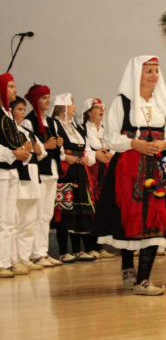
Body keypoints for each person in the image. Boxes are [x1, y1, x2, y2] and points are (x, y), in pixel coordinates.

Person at [93, 56, 166, 296]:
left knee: (154, 218)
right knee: (130, 216)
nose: (154, 76)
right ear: (136, 74)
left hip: (156, 166)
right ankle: (127, 266)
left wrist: (164, 142)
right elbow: (110, 138)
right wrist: (135, 143)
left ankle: (144, 279)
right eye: (148, 71)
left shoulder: (164, 103)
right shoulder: (122, 103)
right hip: (128, 168)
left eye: (156, 71)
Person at [50, 93, 97, 263]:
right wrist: (64, 157)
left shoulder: (78, 128)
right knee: (65, 210)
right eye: (71, 104)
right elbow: (56, 146)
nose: (74, 107)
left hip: (80, 172)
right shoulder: (55, 124)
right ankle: (63, 251)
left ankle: (78, 250)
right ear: (63, 107)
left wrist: (87, 159)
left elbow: (88, 149)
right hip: (66, 173)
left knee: (78, 212)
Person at [23, 84, 64, 267]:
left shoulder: (53, 122)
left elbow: (57, 148)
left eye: (48, 97)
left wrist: (59, 144)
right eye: (44, 98)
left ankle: (42, 250)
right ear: (35, 100)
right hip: (39, 171)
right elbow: (33, 147)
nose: (48, 101)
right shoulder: (28, 122)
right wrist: (46, 146)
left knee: (46, 214)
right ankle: (34, 253)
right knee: (37, 213)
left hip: (52, 170)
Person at [10, 96, 47, 274]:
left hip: (33, 176)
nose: (23, 113)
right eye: (19, 109)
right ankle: (13, 258)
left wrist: (39, 150)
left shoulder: (26, 130)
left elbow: (41, 150)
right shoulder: (9, 130)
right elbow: (18, 151)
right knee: (16, 219)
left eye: (24, 110)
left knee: (29, 220)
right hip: (19, 177)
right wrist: (27, 149)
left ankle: (24, 257)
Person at [0, 73, 30, 278]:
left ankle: (10, 259)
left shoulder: (8, 115)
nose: (15, 90)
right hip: (1, 170)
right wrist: (12, 153)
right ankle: (2, 261)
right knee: (2, 219)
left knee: (11, 219)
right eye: (11, 86)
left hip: (11, 172)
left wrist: (22, 150)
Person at [78, 98, 115, 259]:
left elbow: (113, 145)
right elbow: (83, 150)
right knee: (91, 207)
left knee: (104, 206)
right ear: (89, 112)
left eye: (102, 107)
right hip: (91, 172)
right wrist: (96, 154)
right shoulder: (82, 130)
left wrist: (110, 154)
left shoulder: (106, 129)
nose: (101, 110)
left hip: (105, 172)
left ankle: (101, 245)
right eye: (97, 107)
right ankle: (91, 246)